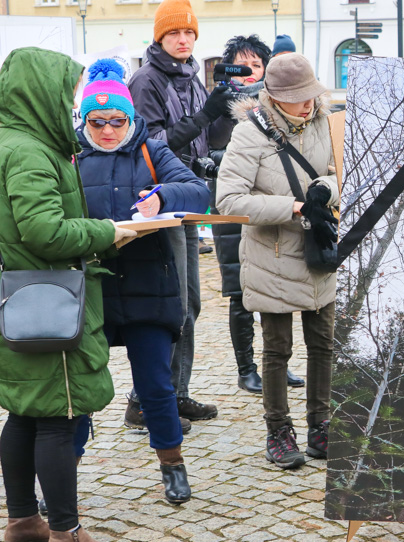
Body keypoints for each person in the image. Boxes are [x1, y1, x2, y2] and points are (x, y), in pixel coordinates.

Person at [0, 47, 131, 542]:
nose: (72, 99)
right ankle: (66, 536)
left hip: (20, 298)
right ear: (39, 90)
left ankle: (21, 519)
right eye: (69, 89)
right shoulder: (30, 151)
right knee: (58, 415)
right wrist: (108, 232)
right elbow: (44, 231)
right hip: (49, 299)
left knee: (24, 413)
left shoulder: (13, 142)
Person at [75, 58, 209, 504]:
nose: (109, 130)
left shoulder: (152, 150)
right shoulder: (69, 155)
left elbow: (198, 191)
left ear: (131, 118)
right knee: (79, 387)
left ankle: (172, 463)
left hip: (149, 286)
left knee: (156, 384)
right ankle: (64, 471)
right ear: (85, 120)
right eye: (99, 122)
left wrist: (162, 195)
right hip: (90, 291)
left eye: (118, 120)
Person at [217, 53, 338, 470]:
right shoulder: (249, 135)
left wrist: (325, 192)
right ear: (272, 96)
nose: (307, 104)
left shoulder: (325, 120)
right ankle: (279, 430)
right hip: (272, 255)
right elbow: (228, 200)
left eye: (310, 95)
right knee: (277, 349)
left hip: (318, 252)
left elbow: (345, 172)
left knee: (324, 344)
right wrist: (294, 207)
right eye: (296, 98)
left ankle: (321, 425)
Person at [127, 0, 224, 429]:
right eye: (174, 34)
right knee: (172, 305)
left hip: (188, 198)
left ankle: (174, 394)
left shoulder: (191, 76)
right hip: (158, 202)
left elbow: (204, 137)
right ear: (159, 38)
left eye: (189, 34)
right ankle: (146, 402)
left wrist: (232, 113)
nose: (183, 40)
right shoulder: (145, 80)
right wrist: (206, 114)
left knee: (190, 304)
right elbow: (150, 144)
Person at [207, 35, 306, 394]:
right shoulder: (217, 104)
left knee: (277, 286)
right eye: (240, 65)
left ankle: (278, 363)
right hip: (233, 208)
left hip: (272, 205)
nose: (249, 73)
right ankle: (246, 368)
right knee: (239, 290)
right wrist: (215, 110)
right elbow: (206, 150)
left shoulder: (275, 107)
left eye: (256, 65)